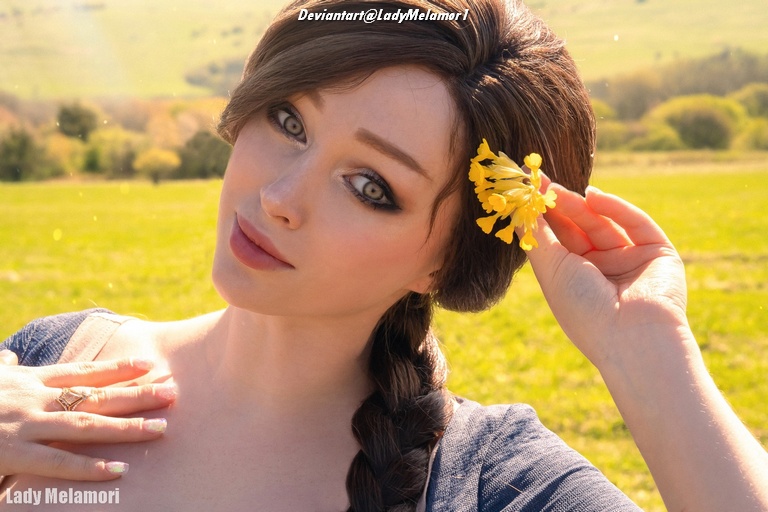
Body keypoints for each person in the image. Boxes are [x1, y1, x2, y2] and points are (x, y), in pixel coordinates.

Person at [2, 0, 767, 510]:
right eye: (289, 121)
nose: (281, 196)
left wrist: (651, 355)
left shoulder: (494, 486)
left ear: (445, 261)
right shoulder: (43, 365)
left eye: (370, 186)